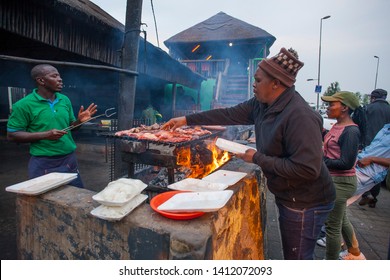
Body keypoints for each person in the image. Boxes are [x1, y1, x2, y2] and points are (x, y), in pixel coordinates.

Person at [162, 47, 336, 260]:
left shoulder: (300, 116)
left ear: (276, 84)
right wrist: (187, 120)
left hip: (306, 201)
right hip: (289, 194)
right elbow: (228, 114)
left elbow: (307, 169)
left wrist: (256, 157)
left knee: (298, 259)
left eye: (258, 80)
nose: (253, 84)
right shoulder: (262, 104)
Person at [7, 64, 97, 188]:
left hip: (69, 160)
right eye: (54, 76)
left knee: (75, 195)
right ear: (41, 80)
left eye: (59, 76)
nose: (60, 79)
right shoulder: (23, 105)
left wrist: (79, 121)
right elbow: (12, 135)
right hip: (43, 162)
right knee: (45, 201)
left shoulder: (64, 100)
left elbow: (72, 127)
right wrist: (45, 135)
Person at [321, 91, 365, 260]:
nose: (328, 107)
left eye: (332, 104)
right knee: (342, 218)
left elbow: (346, 162)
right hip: (334, 180)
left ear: (345, 107)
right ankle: (354, 252)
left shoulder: (351, 131)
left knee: (332, 225)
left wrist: (321, 160)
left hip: (341, 182)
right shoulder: (337, 126)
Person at [359, 89, 390, 207]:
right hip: (385, 148)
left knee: (364, 169)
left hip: (369, 144)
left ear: (373, 97)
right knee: (379, 170)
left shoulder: (367, 108)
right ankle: (373, 196)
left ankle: (366, 193)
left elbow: (360, 125)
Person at [347, 123, 390, 205]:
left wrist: (372, 159)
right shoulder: (386, 127)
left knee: (335, 201)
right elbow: (376, 147)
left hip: (368, 174)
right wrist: (363, 153)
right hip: (357, 165)